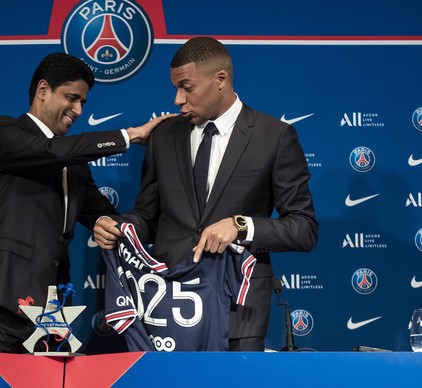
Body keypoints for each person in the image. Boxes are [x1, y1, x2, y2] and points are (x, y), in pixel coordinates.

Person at [94, 37, 318, 351]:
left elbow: (304, 229)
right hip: (169, 306)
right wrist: (121, 228)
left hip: (238, 308)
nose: (177, 100)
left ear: (221, 80)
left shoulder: (275, 137)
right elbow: (147, 216)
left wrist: (241, 226)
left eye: (187, 87)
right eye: (175, 88)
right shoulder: (164, 136)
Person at [0, 52, 174, 353]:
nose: (77, 110)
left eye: (83, 103)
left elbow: (100, 212)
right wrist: (129, 136)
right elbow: (51, 150)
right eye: (72, 98)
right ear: (43, 90)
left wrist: (105, 223)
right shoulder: (2, 132)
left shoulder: (75, 165)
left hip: (53, 313)